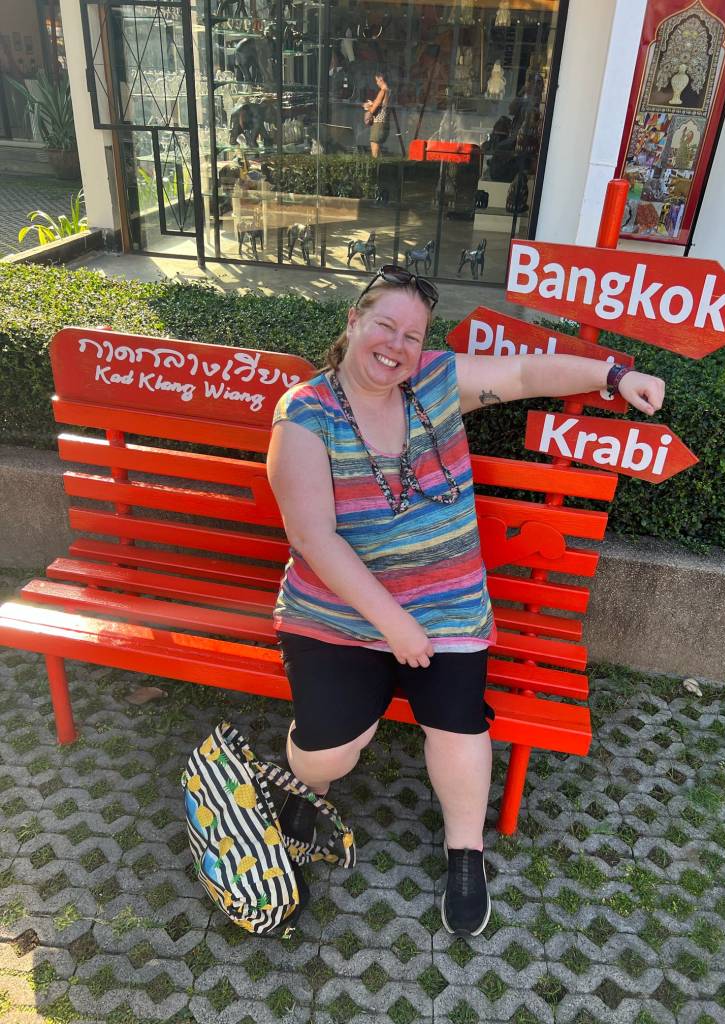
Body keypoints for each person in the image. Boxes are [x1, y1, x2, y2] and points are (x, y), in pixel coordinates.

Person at [266, 268, 665, 938]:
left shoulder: (435, 382)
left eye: (412, 335)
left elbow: (525, 374)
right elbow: (313, 537)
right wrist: (394, 625)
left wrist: (614, 376)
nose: (396, 345)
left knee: (458, 729)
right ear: (354, 322)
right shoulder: (306, 411)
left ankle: (466, 852)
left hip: (447, 607)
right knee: (332, 749)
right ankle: (308, 789)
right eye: (385, 325)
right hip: (337, 616)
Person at [363, 71, 390, 158]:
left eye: (377, 80)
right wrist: (372, 103)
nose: (377, 83)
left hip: (378, 121)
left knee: (374, 144)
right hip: (384, 121)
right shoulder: (388, 91)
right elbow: (381, 104)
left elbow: (376, 104)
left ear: (381, 79)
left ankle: (375, 164)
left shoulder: (383, 90)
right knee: (377, 146)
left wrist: (369, 112)